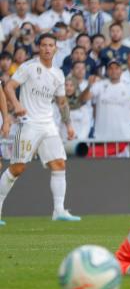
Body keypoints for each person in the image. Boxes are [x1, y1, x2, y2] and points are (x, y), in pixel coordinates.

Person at [0, 34, 79, 225]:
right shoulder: (29, 67)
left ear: (56, 49)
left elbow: (61, 101)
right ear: (39, 48)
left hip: (48, 125)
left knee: (59, 164)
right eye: (43, 45)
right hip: (29, 124)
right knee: (18, 168)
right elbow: (9, 86)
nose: (47, 49)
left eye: (51, 45)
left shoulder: (58, 74)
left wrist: (68, 124)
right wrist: (17, 105)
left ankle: (58, 210)